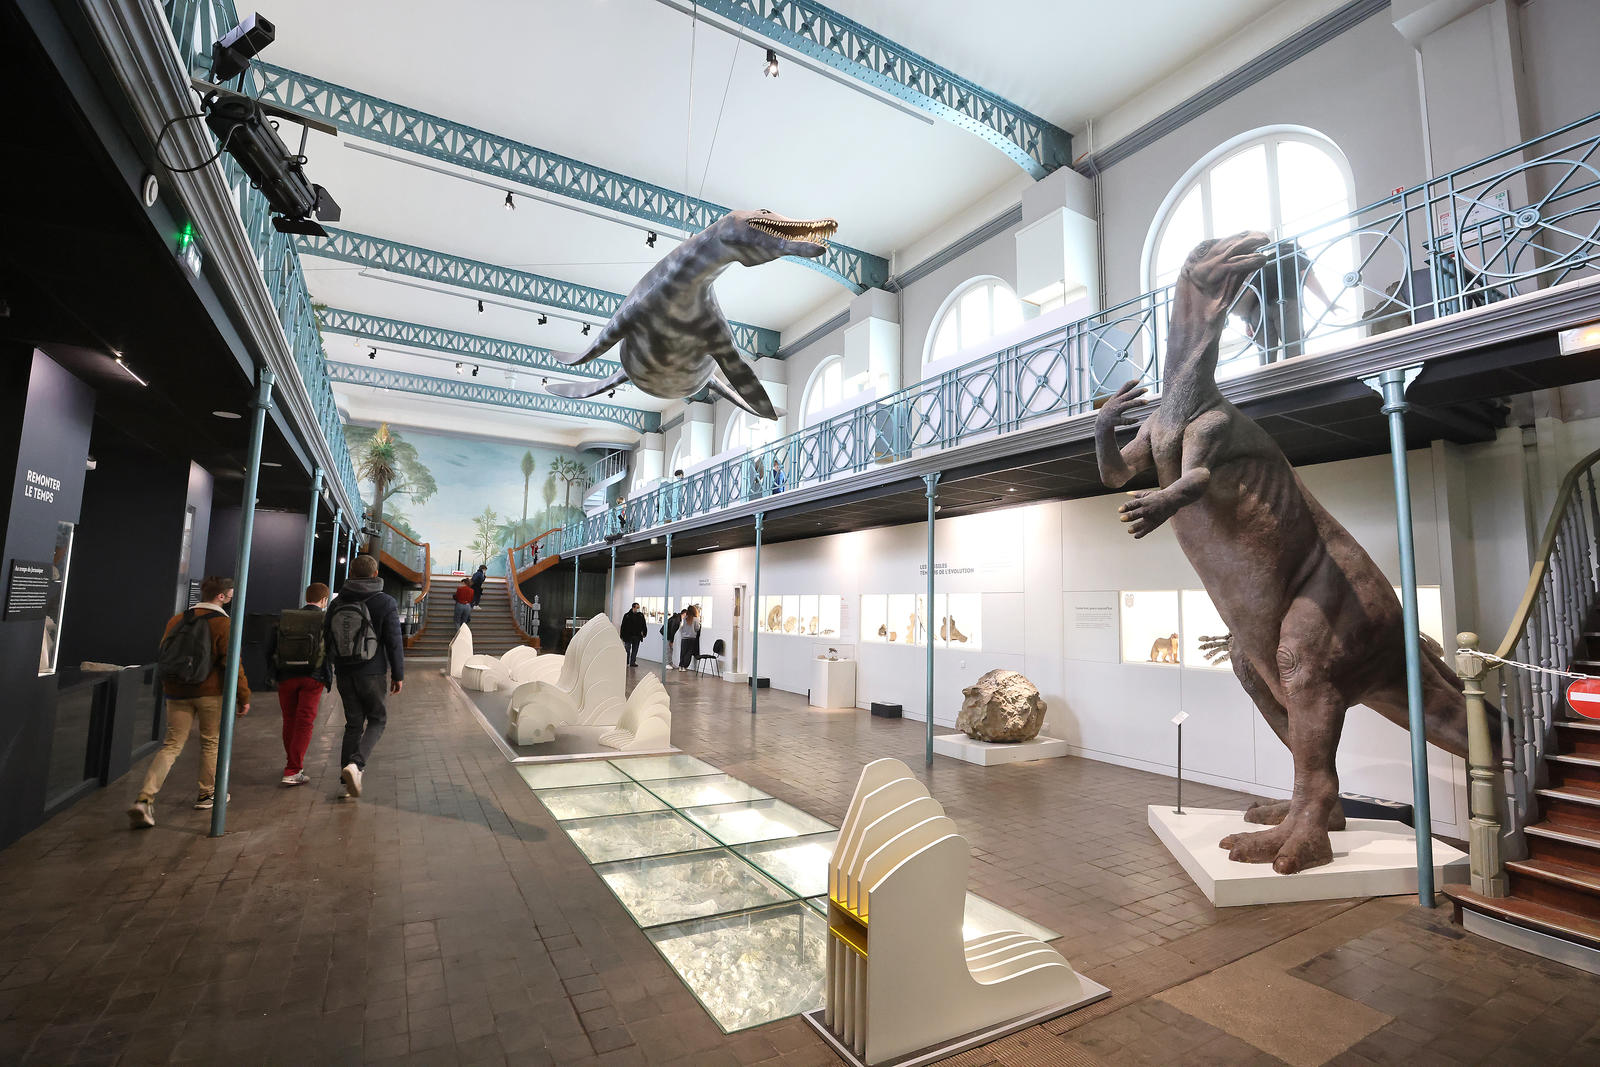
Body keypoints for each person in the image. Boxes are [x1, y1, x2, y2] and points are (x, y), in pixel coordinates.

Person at [128, 576, 249, 828]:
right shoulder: (223, 623)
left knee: (171, 745)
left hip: (177, 691)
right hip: (210, 693)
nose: (231, 597)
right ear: (221, 596)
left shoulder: (177, 619)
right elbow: (232, 664)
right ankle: (206, 794)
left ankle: (145, 797)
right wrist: (243, 696)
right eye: (230, 593)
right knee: (210, 743)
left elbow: (165, 652)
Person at [325, 555, 404, 799]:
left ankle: (344, 782)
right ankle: (356, 765)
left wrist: (331, 667)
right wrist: (398, 674)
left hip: (345, 672)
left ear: (351, 571)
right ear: (375, 573)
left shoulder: (338, 602)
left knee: (353, 724)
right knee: (378, 720)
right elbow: (394, 641)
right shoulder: (385, 602)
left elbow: (327, 636)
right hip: (373, 671)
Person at [267, 582, 333, 786]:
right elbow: (330, 650)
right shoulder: (324, 620)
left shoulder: (286, 618)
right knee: (305, 721)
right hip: (312, 677)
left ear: (307, 597)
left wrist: (273, 674)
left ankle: (293, 764)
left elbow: (270, 648)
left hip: (286, 675)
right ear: (324, 600)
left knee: (289, 719)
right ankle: (293, 768)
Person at [620, 602, 647, 667]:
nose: (638, 609)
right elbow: (623, 626)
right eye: (637, 608)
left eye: (639, 608)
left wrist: (644, 633)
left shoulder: (641, 615)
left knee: (635, 650)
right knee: (627, 650)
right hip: (628, 636)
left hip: (637, 636)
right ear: (633, 608)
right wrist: (622, 635)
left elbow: (644, 625)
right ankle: (626, 662)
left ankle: (632, 662)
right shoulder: (627, 615)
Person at [678, 604, 702, 672]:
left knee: (682, 653)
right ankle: (685, 666)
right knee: (689, 653)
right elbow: (697, 628)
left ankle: (680, 666)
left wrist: (684, 633)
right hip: (692, 638)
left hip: (684, 638)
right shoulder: (696, 619)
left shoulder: (684, 618)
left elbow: (681, 628)